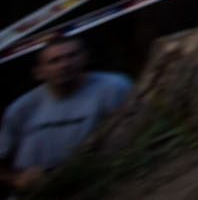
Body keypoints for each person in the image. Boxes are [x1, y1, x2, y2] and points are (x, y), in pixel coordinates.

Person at [1, 38, 132, 191]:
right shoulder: (21, 109)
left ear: (85, 58)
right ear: (39, 72)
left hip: (98, 181)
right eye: (54, 61)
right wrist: (17, 179)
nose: (65, 64)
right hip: (37, 191)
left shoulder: (114, 88)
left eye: (72, 56)